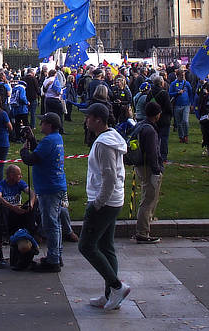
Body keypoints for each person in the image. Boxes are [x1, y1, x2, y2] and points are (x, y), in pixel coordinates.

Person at [79, 103, 132, 311]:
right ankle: (111, 294)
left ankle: (117, 287)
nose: (86, 120)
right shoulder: (111, 138)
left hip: (105, 202)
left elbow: (109, 176)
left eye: (89, 117)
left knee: (86, 246)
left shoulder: (103, 144)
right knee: (106, 246)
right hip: (113, 199)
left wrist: (97, 204)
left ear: (98, 120)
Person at [20, 112, 67, 272]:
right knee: (56, 223)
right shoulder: (56, 139)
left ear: (50, 125)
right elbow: (41, 154)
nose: (40, 125)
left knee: (50, 224)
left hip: (49, 187)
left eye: (43, 123)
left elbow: (32, 159)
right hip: (55, 185)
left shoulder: (49, 141)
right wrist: (32, 139)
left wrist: (23, 151)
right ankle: (56, 255)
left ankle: (53, 260)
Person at [133, 101, 164, 244]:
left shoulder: (140, 125)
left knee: (147, 197)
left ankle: (146, 224)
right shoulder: (150, 130)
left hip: (140, 166)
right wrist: (156, 171)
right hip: (148, 168)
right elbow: (152, 152)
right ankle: (142, 232)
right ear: (157, 115)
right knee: (148, 200)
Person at [0, 164, 37, 237]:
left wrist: (31, 203)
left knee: (36, 201)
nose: (21, 176)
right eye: (19, 174)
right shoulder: (0, 185)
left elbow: (32, 193)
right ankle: (4, 236)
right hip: (6, 215)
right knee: (1, 205)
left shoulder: (20, 183)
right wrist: (13, 207)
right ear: (11, 175)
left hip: (17, 212)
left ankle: (31, 231)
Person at [169, 68, 193, 144]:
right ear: (177, 76)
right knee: (179, 122)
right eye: (181, 75)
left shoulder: (187, 83)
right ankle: (181, 136)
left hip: (186, 105)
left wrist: (191, 103)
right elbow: (170, 93)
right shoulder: (173, 84)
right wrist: (177, 93)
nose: (182, 77)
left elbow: (190, 93)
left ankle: (186, 135)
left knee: (185, 121)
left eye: (183, 75)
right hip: (177, 105)